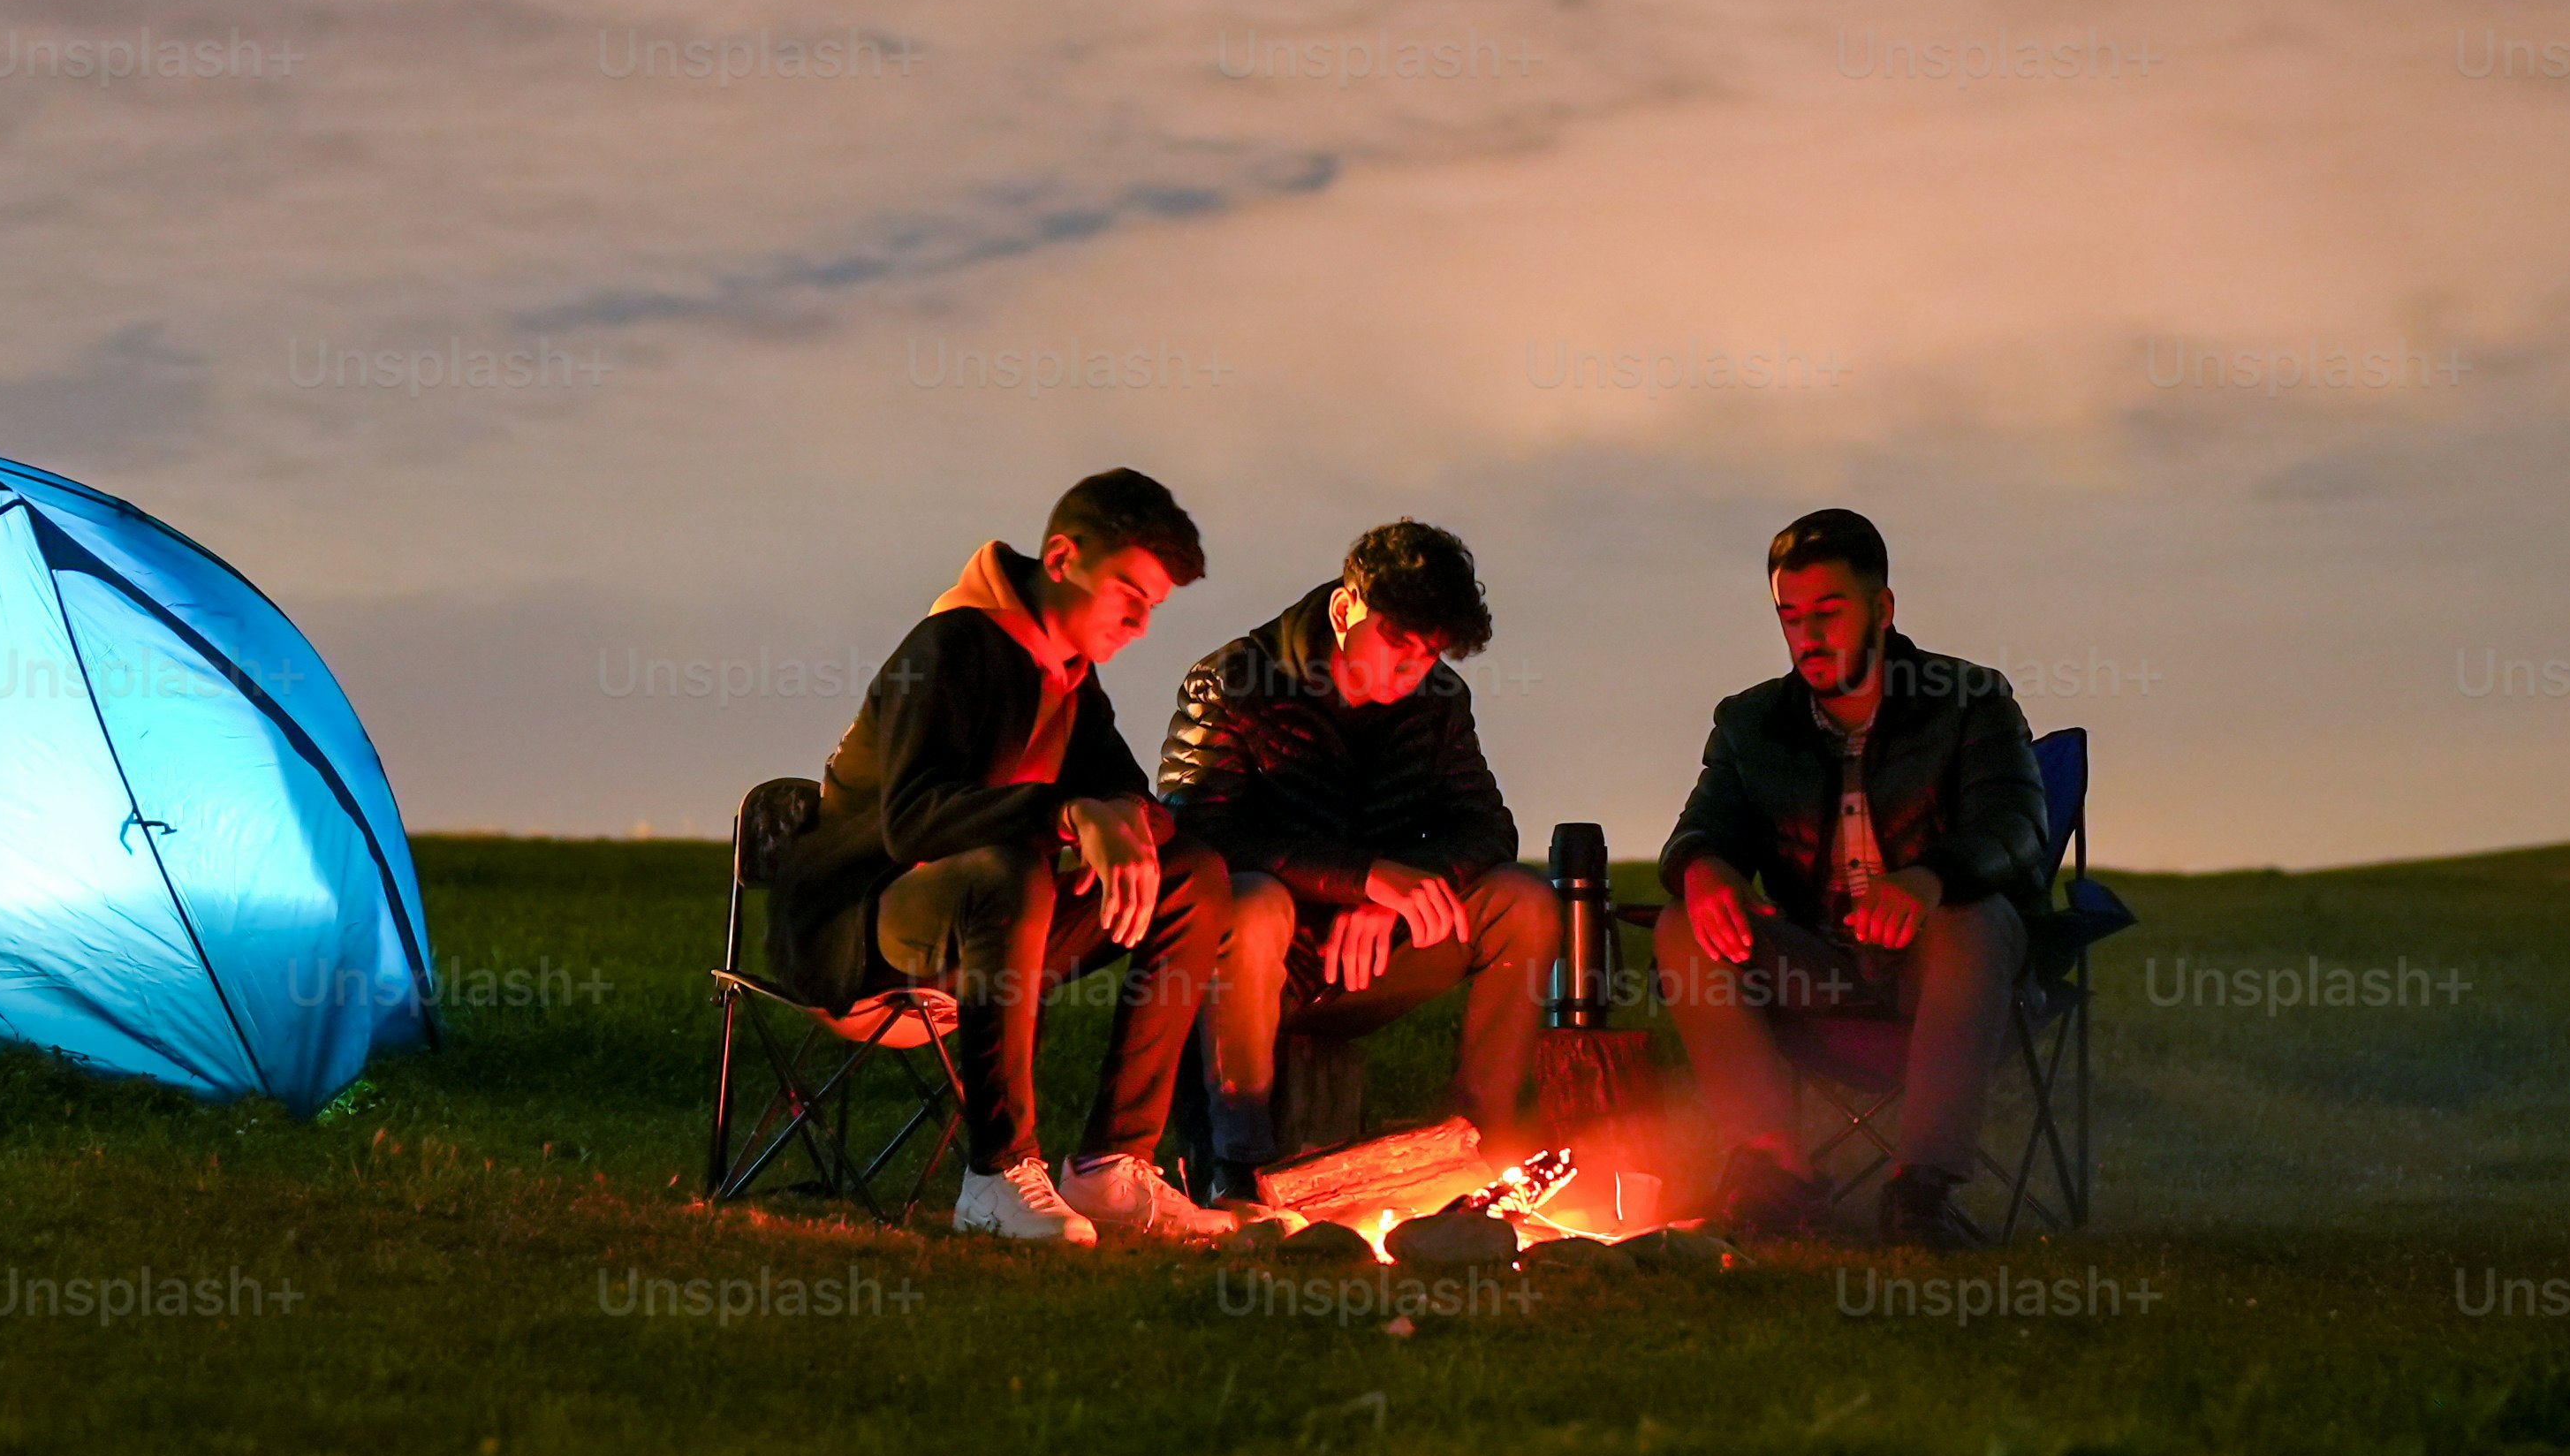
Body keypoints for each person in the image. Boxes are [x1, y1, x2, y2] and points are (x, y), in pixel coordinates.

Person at [770, 469, 1247, 1246]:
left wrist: (1125, 825)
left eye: (1153, 607)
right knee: (1010, 869)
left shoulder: (1072, 679)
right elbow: (912, 823)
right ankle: (995, 1176)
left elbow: (1130, 796)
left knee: (1191, 875)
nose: (1138, 624)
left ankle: (1111, 1165)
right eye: (1128, 593)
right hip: (862, 932)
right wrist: (1066, 814)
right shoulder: (951, 648)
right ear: (1062, 559)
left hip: (991, 941)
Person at [1657, 506, 2045, 1248]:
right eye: (1791, 616)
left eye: (1829, 613)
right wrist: (1704, 872)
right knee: (1684, 926)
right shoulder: (1752, 724)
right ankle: (1773, 1172)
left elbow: (2017, 828)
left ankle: (1922, 1192)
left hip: (1942, 964)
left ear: (1883, 607)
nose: (1809, 635)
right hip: (1820, 960)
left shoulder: (1969, 700)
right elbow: (1702, 829)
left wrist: (1928, 879)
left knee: (1971, 922)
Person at [1149, 518, 1558, 1201]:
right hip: (1257, 966)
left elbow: (1486, 827)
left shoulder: (1437, 701)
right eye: (1397, 643)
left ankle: (1476, 1147)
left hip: (1374, 958)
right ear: (1345, 611)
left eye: (1430, 652)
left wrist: (1391, 899)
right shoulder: (1233, 681)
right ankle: (1237, 1166)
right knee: (1250, 903)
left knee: (1524, 901)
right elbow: (1201, 830)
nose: (1412, 669)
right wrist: (1361, 879)